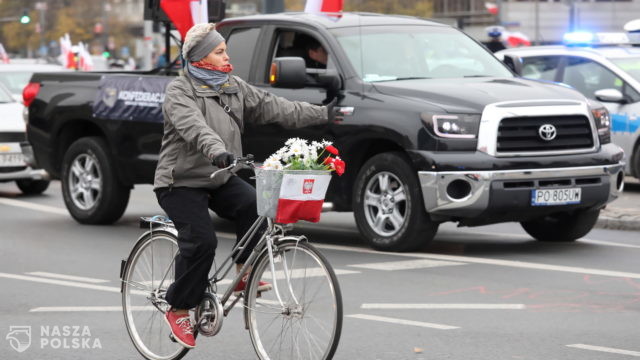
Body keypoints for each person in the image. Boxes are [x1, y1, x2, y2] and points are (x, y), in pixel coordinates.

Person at [153, 23, 337, 349]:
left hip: (219, 177)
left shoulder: (232, 86)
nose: (227, 56)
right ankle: (179, 307)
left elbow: (276, 107)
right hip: (179, 182)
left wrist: (323, 115)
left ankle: (243, 272)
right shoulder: (179, 91)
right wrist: (218, 152)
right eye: (219, 51)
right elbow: (195, 128)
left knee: (255, 204)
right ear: (200, 57)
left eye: (225, 49)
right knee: (201, 242)